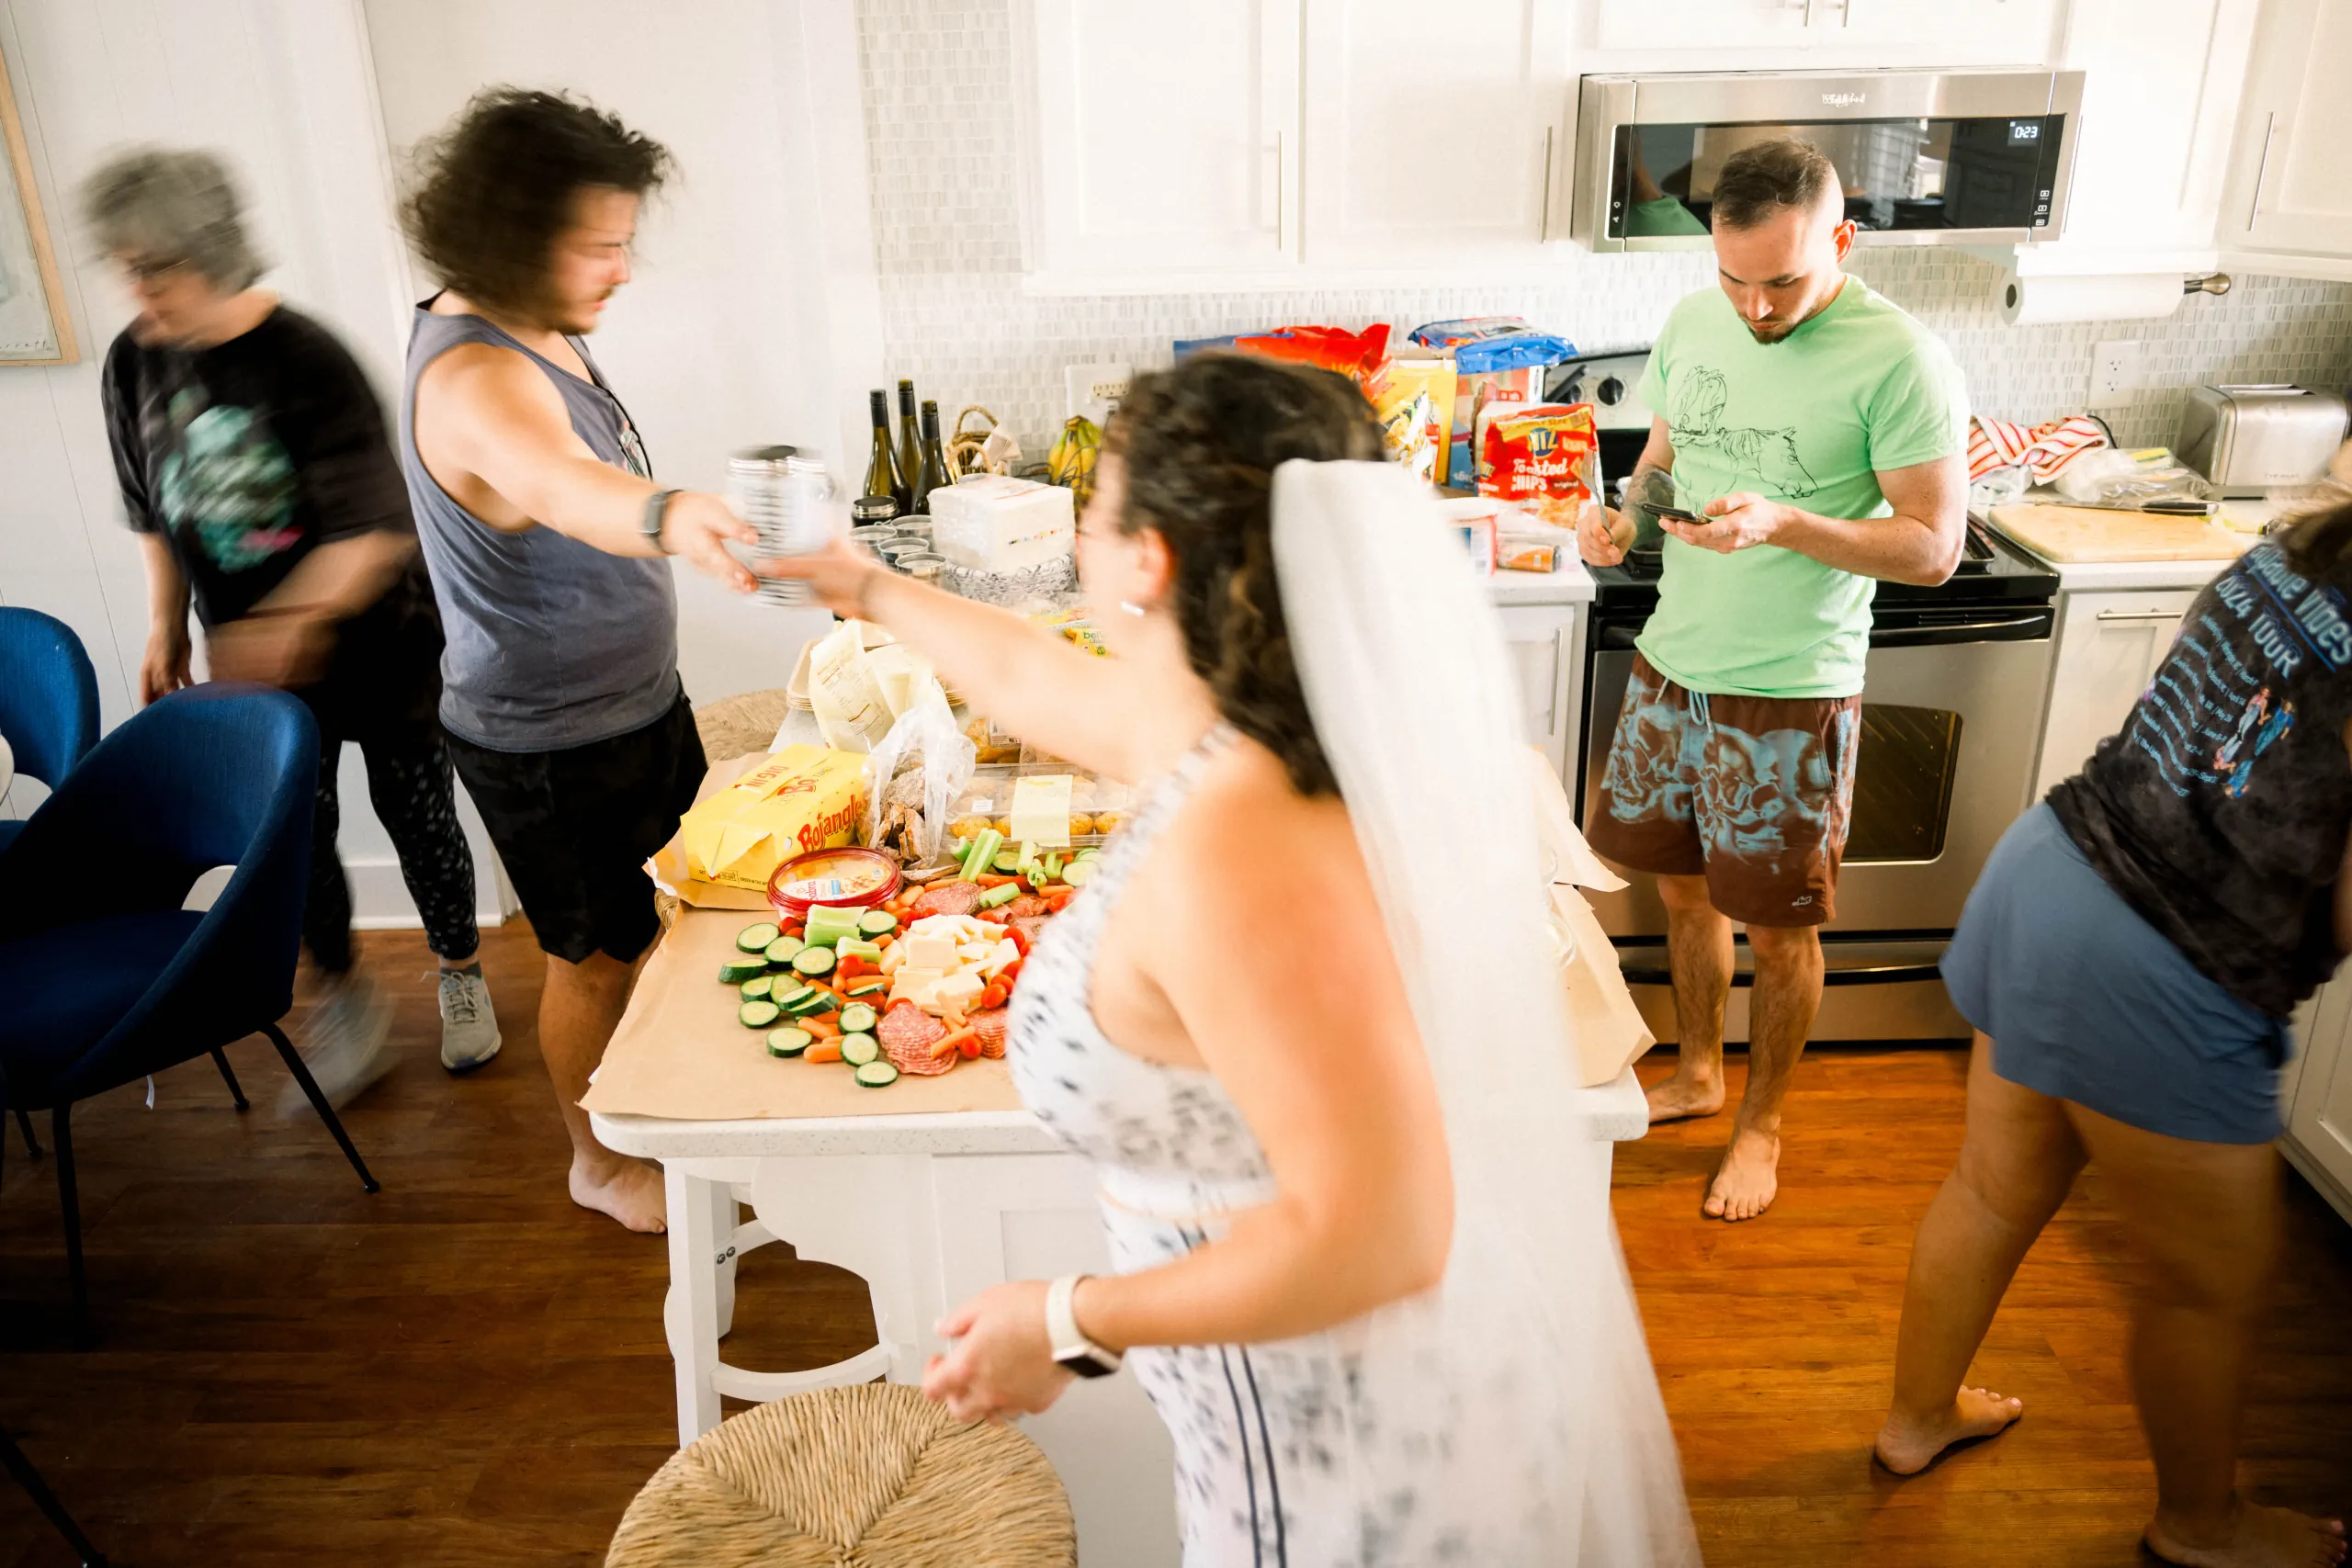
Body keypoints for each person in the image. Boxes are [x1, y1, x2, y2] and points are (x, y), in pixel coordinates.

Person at [766, 354, 1698, 1566]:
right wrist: (862, 583)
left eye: (1089, 513)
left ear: (1146, 557)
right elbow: (1037, 679)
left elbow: (1383, 1231)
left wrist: (1065, 1321)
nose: (1080, 538)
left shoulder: (1240, 841)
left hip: (1360, 1464)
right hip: (1288, 1410)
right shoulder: (1232, 726)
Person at [1873, 502, 2352, 1568]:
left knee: (1990, 1191)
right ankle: (2199, 1526)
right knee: (2208, 1287)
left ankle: (1916, 1420)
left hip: (2053, 864)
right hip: (2165, 961)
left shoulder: (2303, 545)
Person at [1576, 137, 1969, 1222]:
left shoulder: (1902, 359)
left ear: (1841, 241)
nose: (1753, 306)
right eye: (1733, 277)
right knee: (1682, 889)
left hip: (1791, 688)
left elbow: (1933, 548)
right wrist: (1621, 519)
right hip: (1672, 660)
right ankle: (1701, 1072)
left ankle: (1763, 1126)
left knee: (1780, 927)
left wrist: (1787, 523)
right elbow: (1664, 455)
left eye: (1783, 281)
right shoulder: (1697, 319)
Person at [397, 89, 763, 1234]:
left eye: (623, 243)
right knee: (592, 958)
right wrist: (675, 515)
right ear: (507, 239)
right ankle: (596, 1164)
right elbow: (563, 486)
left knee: (662, 924)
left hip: (630, 703)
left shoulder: (534, 326)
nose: (620, 270)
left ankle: (667, 1112)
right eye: (596, 247)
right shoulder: (475, 378)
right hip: (552, 737)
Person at [85, 147, 500, 1111]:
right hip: (254, 663)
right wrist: (164, 624)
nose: (135, 287)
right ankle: (343, 996)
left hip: (383, 649)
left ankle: (460, 972)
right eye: (124, 265)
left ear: (213, 254)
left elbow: (377, 530)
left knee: (418, 820)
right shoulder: (132, 358)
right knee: (297, 839)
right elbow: (148, 506)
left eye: (155, 266)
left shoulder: (306, 358)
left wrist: (290, 620)